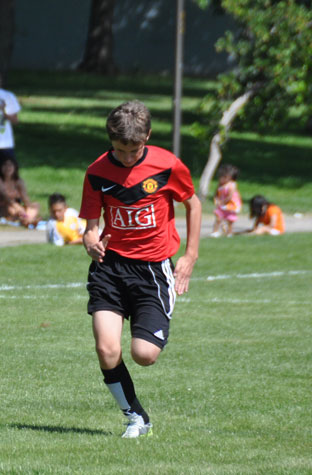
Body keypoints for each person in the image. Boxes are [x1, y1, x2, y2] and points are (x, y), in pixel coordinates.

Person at [79, 100, 201, 438]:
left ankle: (151, 325)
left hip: (151, 271)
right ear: (111, 141)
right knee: (107, 349)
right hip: (110, 268)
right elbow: (91, 224)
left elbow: (193, 203)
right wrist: (90, 240)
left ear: (147, 136)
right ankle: (135, 416)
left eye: (135, 150)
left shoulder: (167, 165)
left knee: (144, 355)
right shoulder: (97, 171)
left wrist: (190, 255)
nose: (128, 157)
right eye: (121, 150)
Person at [0, 157, 40, 227]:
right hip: (1, 207)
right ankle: (28, 220)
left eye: (10, 165)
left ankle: (27, 219)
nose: (7, 168)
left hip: (16, 207)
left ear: (15, 167)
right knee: (11, 209)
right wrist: (18, 208)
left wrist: (28, 207)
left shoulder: (18, 182)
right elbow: (6, 198)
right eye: (5, 165)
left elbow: (25, 199)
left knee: (35, 205)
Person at [210, 163, 241, 237]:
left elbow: (230, 196)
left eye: (224, 177)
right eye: (220, 177)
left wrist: (222, 202)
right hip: (221, 204)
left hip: (230, 205)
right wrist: (216, 199)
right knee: (218, 218)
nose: (221, 179)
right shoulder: (220, 184)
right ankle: (215, 231)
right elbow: (216, 193)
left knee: (230, 220)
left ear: (229, 177)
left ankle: (229, 232)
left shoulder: (231, 185)